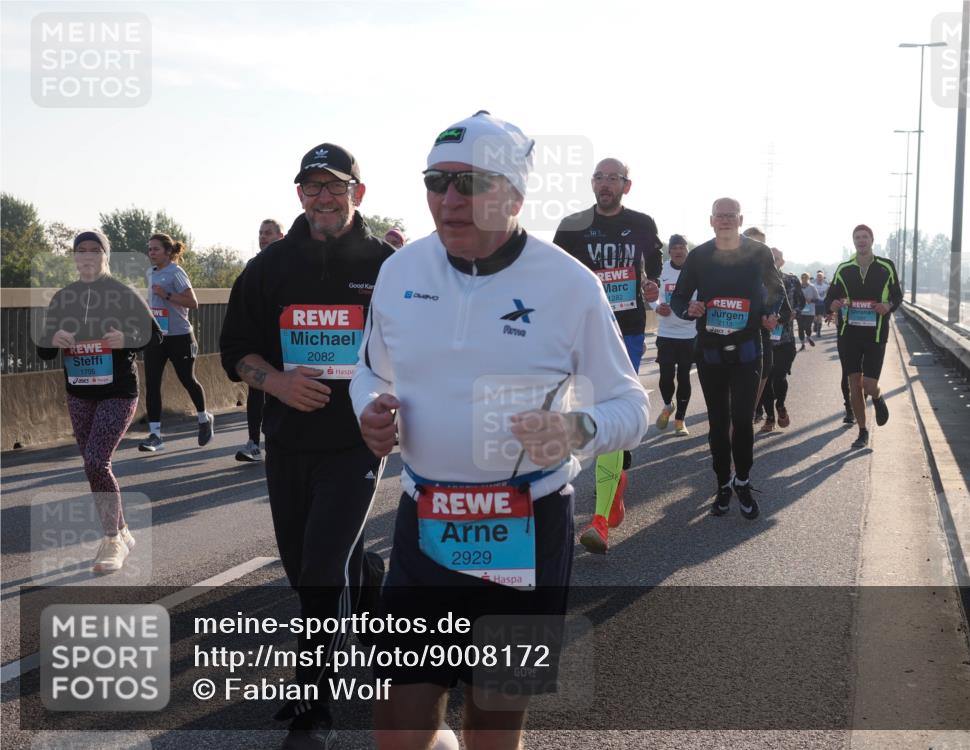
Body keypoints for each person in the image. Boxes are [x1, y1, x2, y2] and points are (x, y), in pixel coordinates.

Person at [350, 111, 649, 750]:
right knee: (397, 731)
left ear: (514, 195)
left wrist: (576, 429)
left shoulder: (570, 285)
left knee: (492, 726)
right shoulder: (399, 272)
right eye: (437, 181)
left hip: (524, 531)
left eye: (471, 184)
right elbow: (369, 373)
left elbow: (631, 406)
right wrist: (369, 409)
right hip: (424, 523)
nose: (449, 200)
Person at [220, 143, 394, 749]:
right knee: (306, 568)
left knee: (320, 571)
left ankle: (313, 707)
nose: (323, 197)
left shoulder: (386, 266)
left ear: (358, 193)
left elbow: (418, 347)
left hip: (355, 444)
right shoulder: (267, 269)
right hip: (289, 442)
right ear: (299, 195)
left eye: (335, 186)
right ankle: (370, 578)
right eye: (312, 187)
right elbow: (235, 351)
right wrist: (276, 381)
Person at [552, 156, 662, 554]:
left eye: (614, 178)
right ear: (592, 183)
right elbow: (553, 273)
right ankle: (613, 488)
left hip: (628, 330)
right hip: (581, 330)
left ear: (626, 186)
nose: (606, 184)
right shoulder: (572, 226)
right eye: (600, 177)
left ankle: (599, 520)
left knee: (610, 406)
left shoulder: (643, 224)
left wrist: (650, 284)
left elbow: (655, 261)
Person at [37, 231, 161, 572]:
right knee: (93, 465)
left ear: (106, 256)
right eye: (81, 251)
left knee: (96, 460)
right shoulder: (63, 297)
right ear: (75, 258)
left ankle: (111, 541)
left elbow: (155, 337)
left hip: (118, 391)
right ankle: (121, 530)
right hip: (79, 391)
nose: (88, 256)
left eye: (95, 250)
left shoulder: (122, 294)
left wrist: (127, 340)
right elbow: (43, 350)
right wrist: (53, 336)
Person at [670, 198, 785, 520]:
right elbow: (679, 296)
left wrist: (770, 312)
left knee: (743, 420)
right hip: (710, 350)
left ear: (740, 219)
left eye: (730, 216)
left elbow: (777, 289)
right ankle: (723, 483)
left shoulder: (758, 253)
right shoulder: (700, 255)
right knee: (719, 424)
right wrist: (686, 309)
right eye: (720, 216)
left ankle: (743, 481)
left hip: (748, 348)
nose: (725, 221)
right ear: (711, 220)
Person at [825, 224, 902, 449]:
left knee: (868, 385)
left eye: (864, 237)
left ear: (872, 239)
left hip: (876, 333)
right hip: (848, 334)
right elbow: (830, 298)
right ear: (854, 241)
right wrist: (834, 304)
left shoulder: (886, 266)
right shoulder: (844, 268)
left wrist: (888, 305)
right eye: (857, 237)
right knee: (853, 383)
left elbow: (897, 295)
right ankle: (862, 430)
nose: (861, 241)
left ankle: (877, 397)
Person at [138, 233, 212, 452]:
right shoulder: (149, 273)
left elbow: (193, 302)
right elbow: (153, 301)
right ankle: (155, 435)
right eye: (149, 249)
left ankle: (203, 419)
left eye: (156, 249)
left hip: (180, 336)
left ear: (168, 252)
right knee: (152, 383)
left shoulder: (176, 272)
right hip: (157, 336)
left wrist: (167, 294)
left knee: (187, 379)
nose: (151, 253)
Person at [235, 218, 285, 463]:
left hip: (286, 340)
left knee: (282, 392)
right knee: (256, 389)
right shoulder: (253, 264)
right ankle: (253, 442)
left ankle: (281, 442)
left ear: (281, 236)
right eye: (260, 233)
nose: (263, 237)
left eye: (268, 233)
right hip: (260, 338)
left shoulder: (291, 263)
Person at [654, 234, 697, 436]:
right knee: (665, 376)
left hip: (689, 333)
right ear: (670, 251)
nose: (679, 251)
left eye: (682, 247)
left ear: (687, 250)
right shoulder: (661, 270)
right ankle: (667, 405)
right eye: (675, 248)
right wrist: (656, 307)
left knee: (684, 377)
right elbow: (650, 294)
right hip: (666, 332)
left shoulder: (697, 269)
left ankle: (680, 419)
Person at [759, 248, 803, 432]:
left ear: (781, 262)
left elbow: (801, 302)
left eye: (775, 259)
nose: (772, 262)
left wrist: (792, 314)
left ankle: (780, 405)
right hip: (763, 340)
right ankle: (769, 417)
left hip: (784, 339)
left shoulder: (791, 280)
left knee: (779, 376)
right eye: (768, 259)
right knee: (765, 380)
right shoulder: (756, 281)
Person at [744, 227, 773, 424]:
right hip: (728, 337)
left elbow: (785, 307)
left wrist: (772, 315)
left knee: (751, 394)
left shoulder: (771, 276)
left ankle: (749, 415)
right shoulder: (723, 267)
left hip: (761, 338)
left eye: (760, 244)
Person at [798, 272, 818, 350]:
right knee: (800, 327)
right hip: (800, 311)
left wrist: (811, 300)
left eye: (805, 277)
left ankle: (808, 337)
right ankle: (803, 344)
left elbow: (817, 299)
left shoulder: (812, 287)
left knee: (808, 327)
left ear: (808, 278)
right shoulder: (798, 288)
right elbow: (795, 298)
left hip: (810, 311)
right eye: (802, 277)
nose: (804, 279)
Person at [813, 270, 830, 337]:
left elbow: (829, 294)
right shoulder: (813, 285)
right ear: (816, 278)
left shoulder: (826, 286)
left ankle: (818, 332)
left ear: (823, 278)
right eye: (818, 277)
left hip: (822, 304)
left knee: (819, 317)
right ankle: (815, 324)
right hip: (814, 304)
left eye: (821, 277)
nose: (819, 278)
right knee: (815, 318)